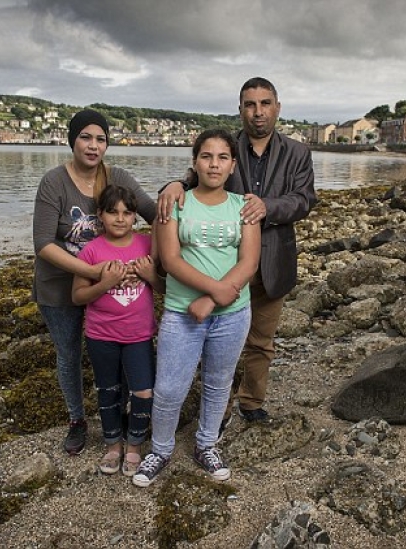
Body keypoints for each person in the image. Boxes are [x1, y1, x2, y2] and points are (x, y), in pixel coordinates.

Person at [158, 77, 317, 428]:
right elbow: (202, 175)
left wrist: (267, 207)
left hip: (274, 262)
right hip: (224, 265)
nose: (258, 112)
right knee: (217, 337)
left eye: (265, 103)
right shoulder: (228, 148)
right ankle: (220, 406)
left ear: (277, 107)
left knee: (261, 342)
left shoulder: (297, 153)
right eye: (250, 104)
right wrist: (173, 184)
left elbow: (304, 199)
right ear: (240, 108)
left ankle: (251, 401)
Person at [132, 129, 261, 487]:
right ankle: (160, 449)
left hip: (233, 315)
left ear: (233, 164)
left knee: (218, 384)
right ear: (195, 162)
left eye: (222, 157)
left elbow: (249, 262)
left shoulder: (243, 207)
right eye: (206, 156)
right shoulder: (176, 203)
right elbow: (171, 260)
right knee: (170, 388)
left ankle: (207, 443)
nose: (214, 164)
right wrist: (215, 290)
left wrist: (214, 299)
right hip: (180, 312)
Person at [32, 109, 156, 456]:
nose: (93, 145)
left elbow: (152, 212)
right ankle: (77, 420)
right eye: (85, 137)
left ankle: (128, 414)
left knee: (122, 348)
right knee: (69, 354)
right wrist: (95, 272)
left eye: (100, 138)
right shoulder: (54, 182)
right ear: (72, 140)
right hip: (60, 286)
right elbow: (42, 244)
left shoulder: (117, 176)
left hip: (112, 287)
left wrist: (178, 190)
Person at [72, 185, 164, 476]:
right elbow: (78, 296)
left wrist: (152, 276)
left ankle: (135, 445)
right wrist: (106, 282)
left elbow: (164, 289)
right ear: (100, 215)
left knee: (144, 391)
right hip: (101, 336)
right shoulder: (90, 251)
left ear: (136, 216)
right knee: (108, 391)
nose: (120, 218)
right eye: (112, 212)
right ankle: (113, 445)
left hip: (139, 335)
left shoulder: (147, 244)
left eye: (127, 212)